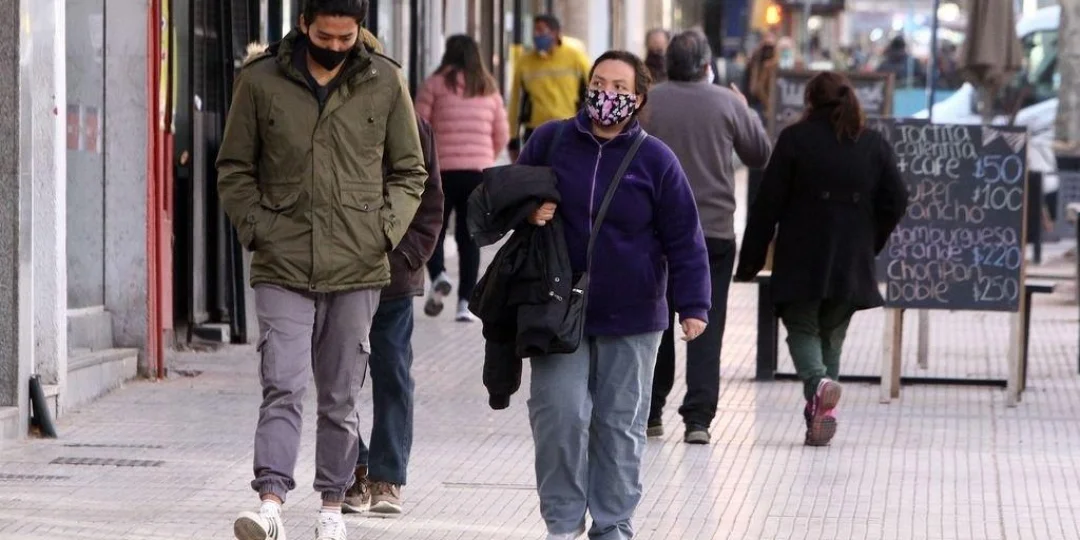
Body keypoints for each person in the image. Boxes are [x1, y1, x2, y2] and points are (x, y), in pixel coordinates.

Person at [216, 0, 427, 538]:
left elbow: (410, 171)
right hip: (282, 261)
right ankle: (270, 503)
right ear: (303, 24)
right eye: (325, 36)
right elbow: (234, 168)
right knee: (282, 384)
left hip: (357, 265)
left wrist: (383, 232)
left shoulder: (385, 81)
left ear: (359, 31)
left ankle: (332, 508)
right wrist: (259, 228)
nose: (335, 47)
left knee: (340, 396)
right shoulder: (260, 81)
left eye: (345, 38)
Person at [516, 50, 711, 540]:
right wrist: (528, 210)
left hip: (633, 315)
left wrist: (694, 304)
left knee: (619, 425)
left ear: (639, 98)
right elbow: (506, 196)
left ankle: (612, 525)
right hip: (558, 311)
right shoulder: (551, 140)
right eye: (600, 83)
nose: (607, 94)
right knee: (558, 415)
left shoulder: (656, 160)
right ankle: (562, 524)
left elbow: (684, 237)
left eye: (620, 88)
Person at [733, 71, 908, 447]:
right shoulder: (872, 143)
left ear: (809, 101)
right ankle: (822, 413)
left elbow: (768, 203)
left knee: (802, 327)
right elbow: (897, 198)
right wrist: (872, 240)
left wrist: (750, 261)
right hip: (852, 256)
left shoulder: (795, 139)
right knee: (832, 334)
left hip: (803, 253)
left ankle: (818, 384)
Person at [640, 31, 771, 444]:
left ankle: (651, 411)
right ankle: (698, 419)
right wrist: (745, 110)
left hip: (655, 230)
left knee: (657, 321)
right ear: (706, 65)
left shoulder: (649, 102)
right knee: (707, 325)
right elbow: (760, 154)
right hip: (712, 231)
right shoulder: (727, 102)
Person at [337, 28, 444, 519]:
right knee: (338, 379)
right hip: (337, 274)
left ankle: (387, 476)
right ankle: (354, 467)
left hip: (393, 276)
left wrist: (407, 257)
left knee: (392, 374)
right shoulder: (330, 123)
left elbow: (430, 200)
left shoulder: (413, 126)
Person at [414, 34, 510, 322]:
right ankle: (464, 304)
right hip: (477, 174)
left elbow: (417, 126)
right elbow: (502, 133)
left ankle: (439, 275)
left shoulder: (434, 85)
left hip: (441, 172)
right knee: (470, 237)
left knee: (434, 228)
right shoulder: (488, 88)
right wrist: (485, 158)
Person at [507, 14, 592, 160]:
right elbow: (515, 100)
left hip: (569, 128)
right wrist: (512, 137)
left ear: (555, 33)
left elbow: (593, 88)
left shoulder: (575, 57)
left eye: (541, 30)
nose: (536, 35)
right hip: (535, 131)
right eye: (534, 30)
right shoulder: (524, 62)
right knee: (535, 173)